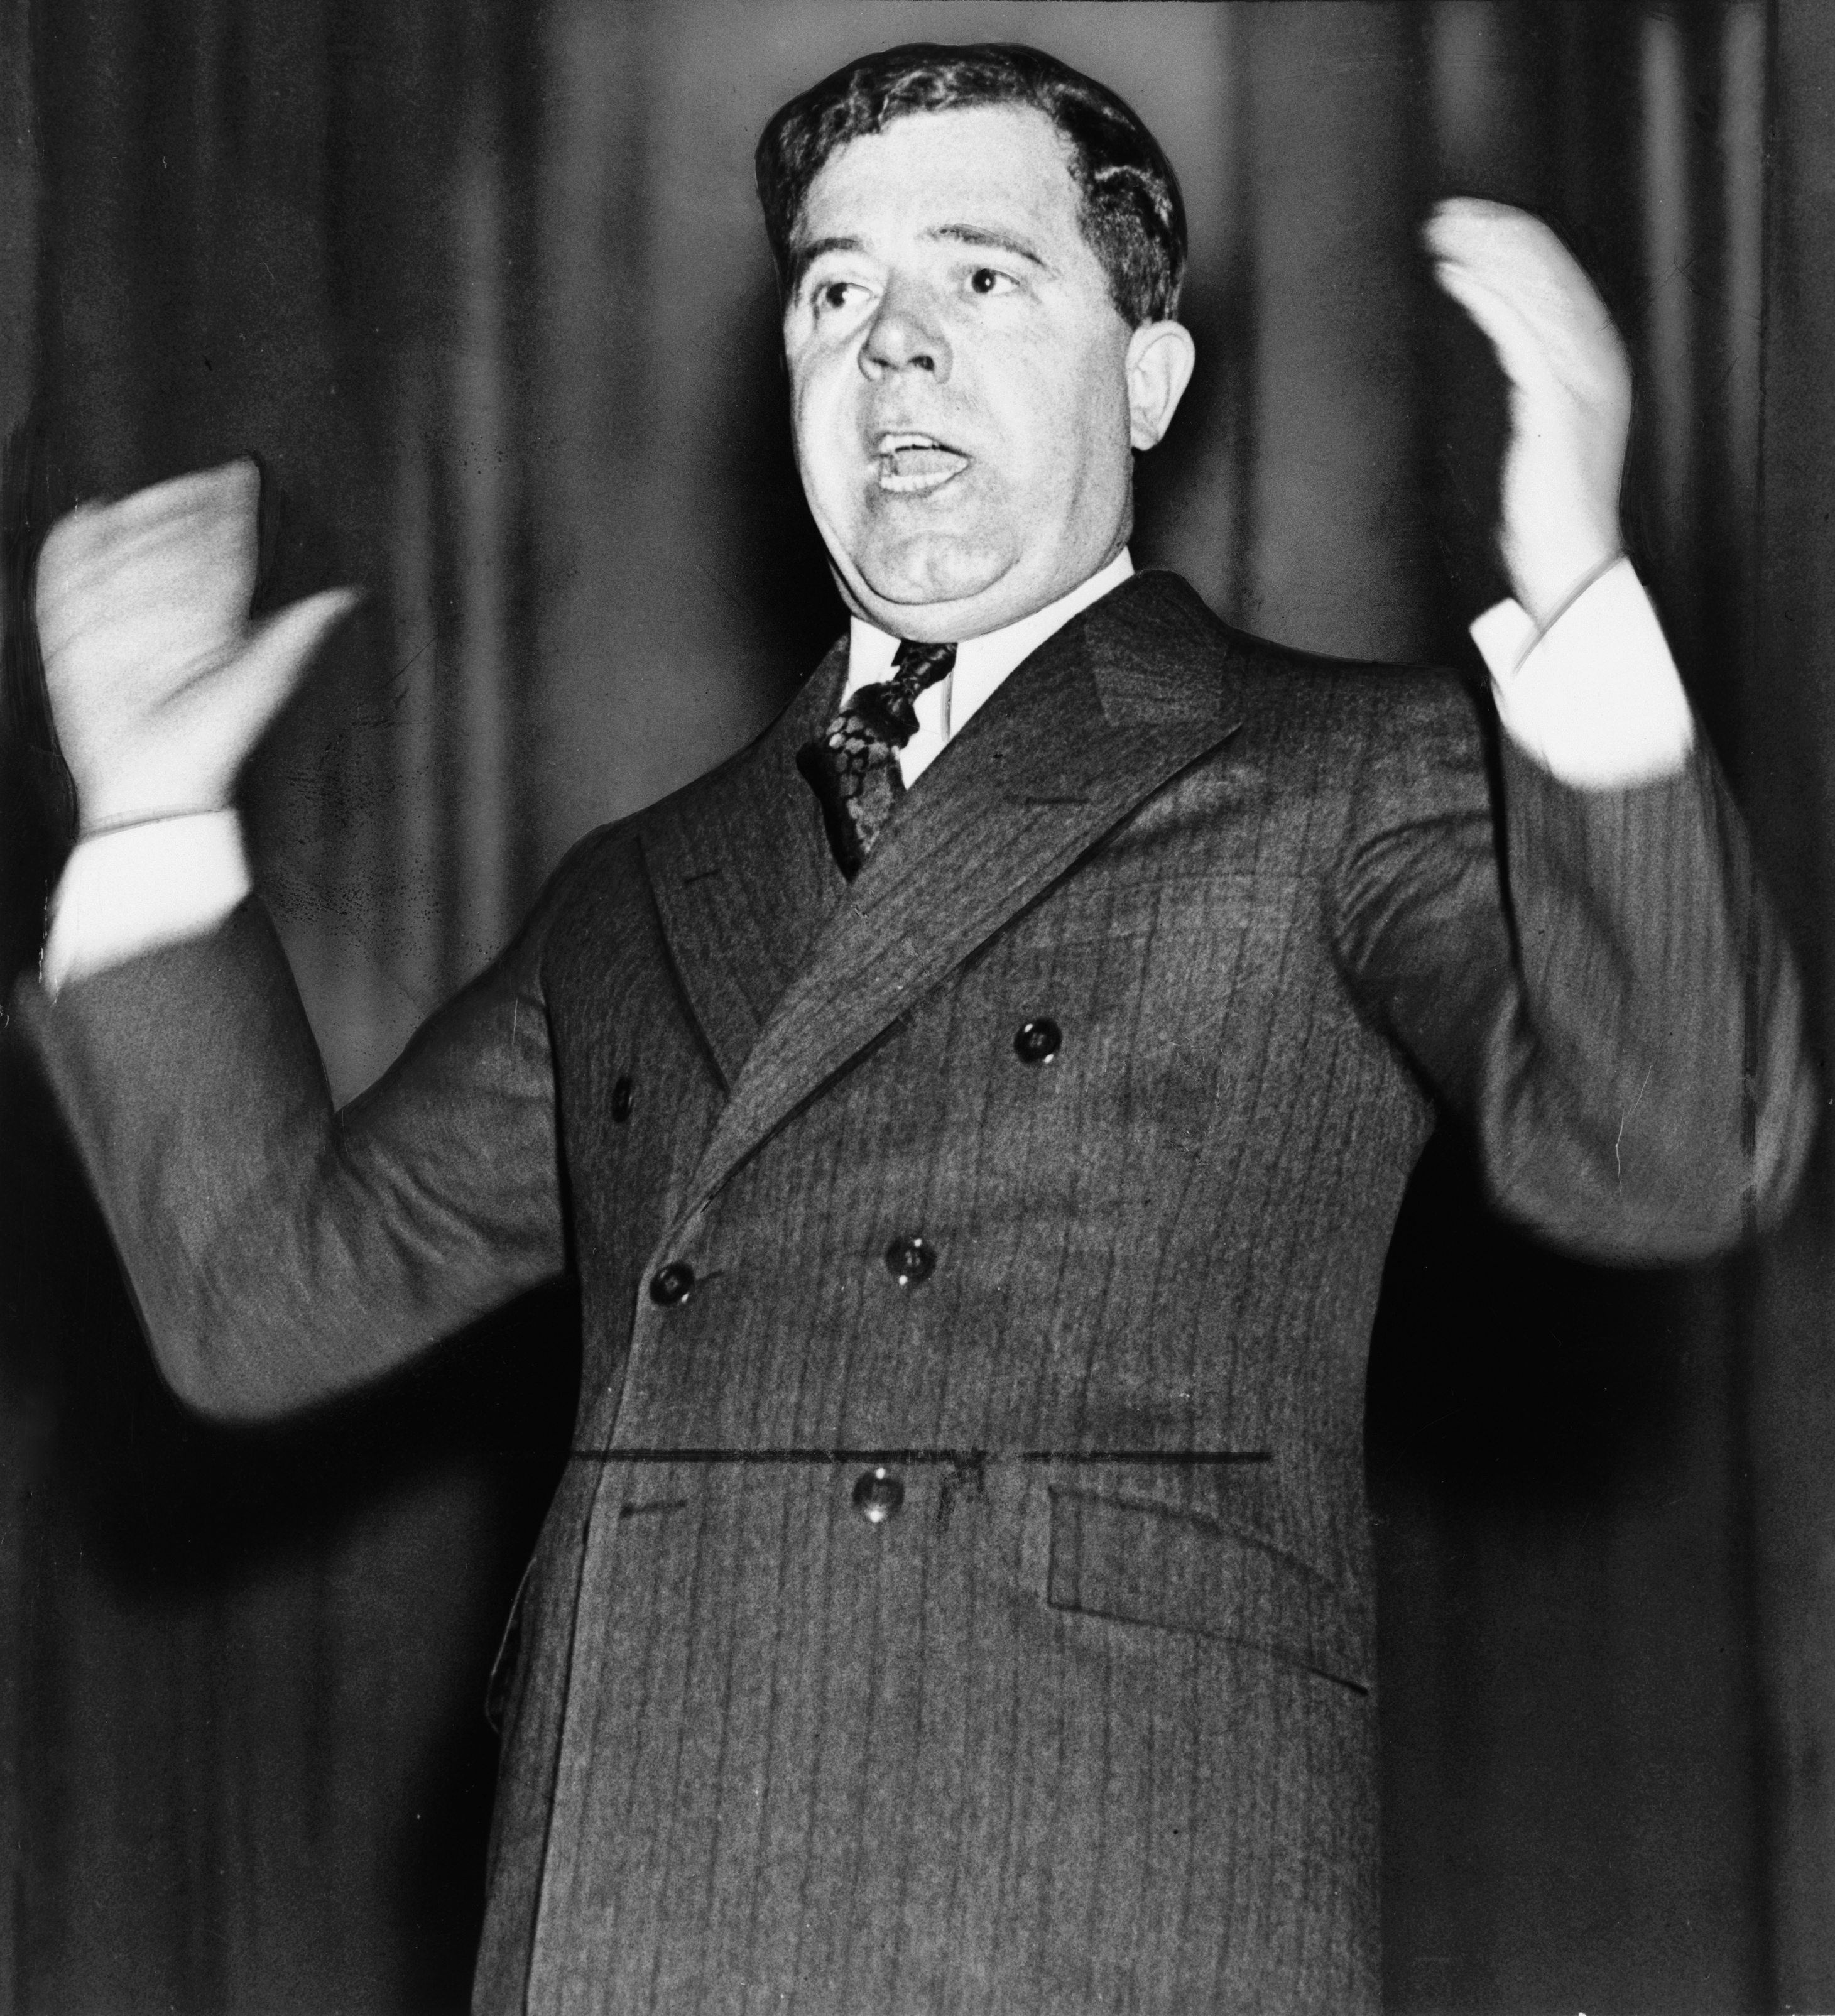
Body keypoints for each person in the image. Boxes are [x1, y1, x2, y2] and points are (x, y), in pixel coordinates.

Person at [14, 40, 1815, 2016]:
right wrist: (150, 808)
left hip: (1088, 1910)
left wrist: (1574, 591)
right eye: (834, 288)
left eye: (981, 273)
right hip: (625, 1916)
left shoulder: (1340, 772)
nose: (891, 342)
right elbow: (263, 1303)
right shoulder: (637, 888)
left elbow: (1674, 1149)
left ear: (1147, 377)